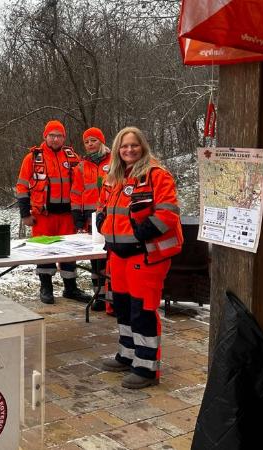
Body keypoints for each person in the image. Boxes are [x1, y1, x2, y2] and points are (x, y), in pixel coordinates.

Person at [96, 126, 182, 389]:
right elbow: (103, 208)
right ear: (117, 150)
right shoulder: (114, 177)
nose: (129, 150)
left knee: (142, 310)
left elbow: (168, 213)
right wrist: (102, 224)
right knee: (122, 307)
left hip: (145, 256)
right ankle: (127, 354)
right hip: (118, 256)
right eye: (124, 146)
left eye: (134, 145)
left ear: (142, 146)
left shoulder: (156, 175)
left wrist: (137, 235)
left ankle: (146, 368)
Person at [15, 120, 93, 304]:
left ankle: (71, 288)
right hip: (43, 216)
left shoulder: (72, 157)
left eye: (59, 135)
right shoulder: (33, 158)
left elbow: (84, 185)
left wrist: (82, 214)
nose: (55, 139)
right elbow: (22, 186)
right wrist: (25, 214)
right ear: (45, 136)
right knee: (44, 252)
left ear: (64, 138)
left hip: (67, 215)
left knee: (70, 253)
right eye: (52, 135)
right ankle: (46, 287)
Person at [73, 127, 113, 312]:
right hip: (91, 218)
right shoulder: (81, 166)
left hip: (110, 215)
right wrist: (78, 220)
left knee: (108, 258)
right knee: (95, 260)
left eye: (93, 140)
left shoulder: (114, 160)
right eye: (87, 141)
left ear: (101, 141)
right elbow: (76, 193)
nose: (90, 144)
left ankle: (111, 298)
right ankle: (98, 295)